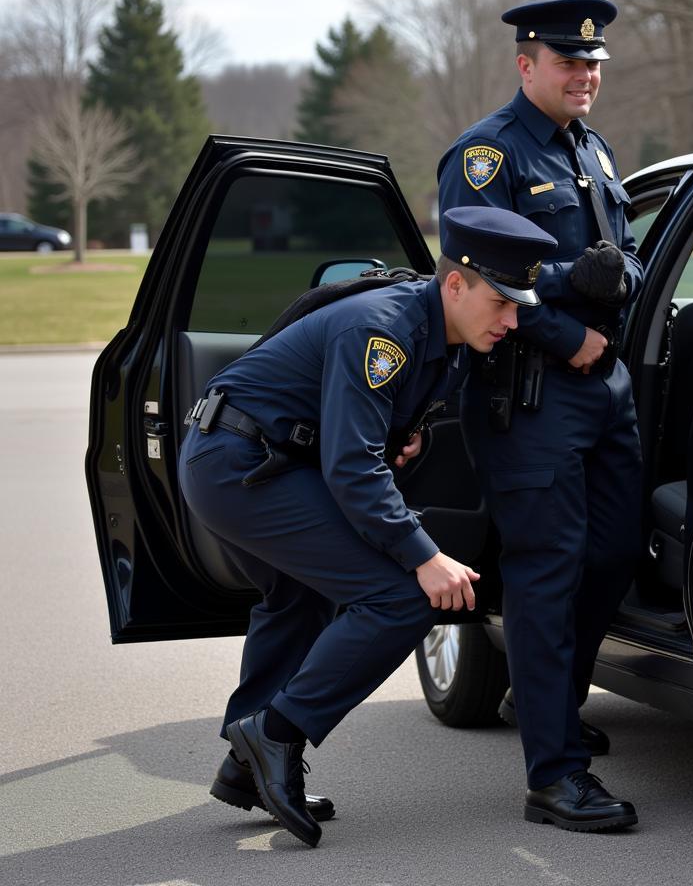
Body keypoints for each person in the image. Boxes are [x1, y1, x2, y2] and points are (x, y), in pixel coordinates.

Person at [177, 206, 557, 848]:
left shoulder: (449, 341)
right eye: (502, 301)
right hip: (238, 464)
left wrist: (395, 442)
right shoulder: (381, 330)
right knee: (401, 596)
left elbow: (361, 440)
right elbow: (353, 468)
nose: (514, 319)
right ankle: (275, 734)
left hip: (263, 460)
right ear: (455, 284)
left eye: (521, 304)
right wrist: (423, 555)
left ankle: (247, 768)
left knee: (297, 598)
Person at [437, 0, 644, 832]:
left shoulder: (592, 151)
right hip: (531, 392)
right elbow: (471, 276)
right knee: (547, 572)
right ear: (527, 65)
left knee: (615, 553)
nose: (585, 75)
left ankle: (544, 696)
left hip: (607, 390)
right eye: (569, 63)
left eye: (593, 64)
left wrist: (617, 277)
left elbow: (620, 258)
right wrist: (569, 325)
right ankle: (554, 780)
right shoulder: (490, 155)